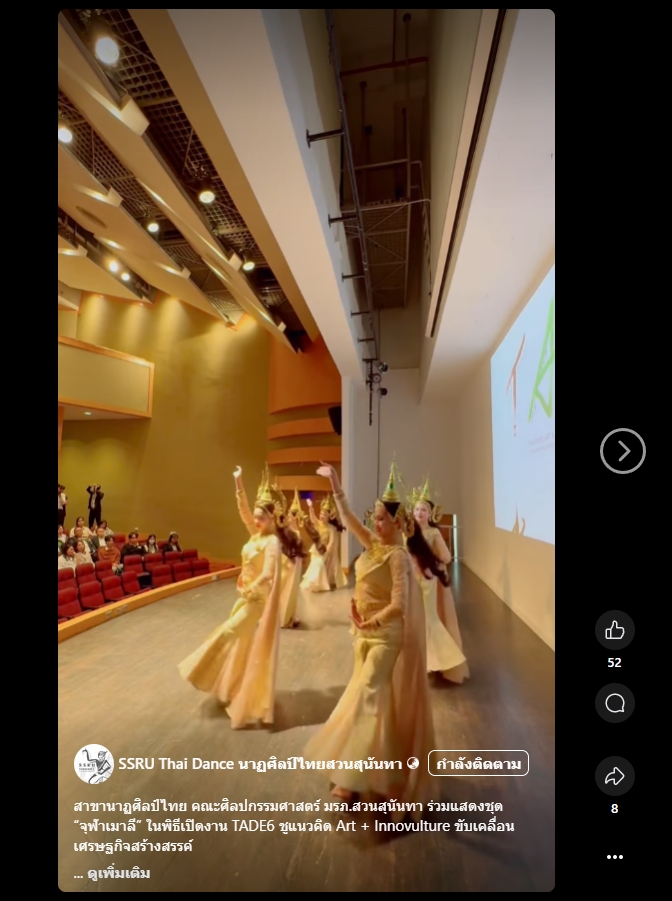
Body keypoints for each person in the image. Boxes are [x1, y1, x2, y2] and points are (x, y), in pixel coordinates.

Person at [302, 460, 434, 818]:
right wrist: (335, 482)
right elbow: (346, 517)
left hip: (386, 636)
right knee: (371, 700)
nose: (375, 524)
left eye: (381, 519)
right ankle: (378, 774)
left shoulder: (397, 557)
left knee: (367, 699)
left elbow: (399, 605)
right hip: (361, 632)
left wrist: (371, 620)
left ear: (397, 522)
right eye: (373, 518)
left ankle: (356, 779)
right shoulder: (372, 545)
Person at [178, 465, 290, 729]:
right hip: (244, 596)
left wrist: (253, 586)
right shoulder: (255, 535)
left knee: (228, 632)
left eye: (261, 517)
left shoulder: (272, 542)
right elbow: (244, 512)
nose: (256, 520)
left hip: (257, 601)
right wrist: (239, 483)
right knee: (241, 644)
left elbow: (269, 573)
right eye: (256, 517)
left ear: (272, 519)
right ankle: (234, 686)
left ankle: (203, 671)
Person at [406, 479, 469, 684]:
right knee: (412, 621)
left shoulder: (433, 533)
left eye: (423, 509)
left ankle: (441, 660)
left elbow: (447, 557)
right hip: (410, 582)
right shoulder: (408, 533)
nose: (419, 512)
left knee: (429, 619)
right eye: (417, 509)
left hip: (427, 582)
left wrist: (429, 564)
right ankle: (420, 662)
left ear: (430, 514)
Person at [301, 495, 347, 592]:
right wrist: (311, 508)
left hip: (325, 551)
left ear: (329, 517)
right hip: (317, 549)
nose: (321, 516)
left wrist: (326, 552)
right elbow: (313, 519)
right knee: (315, 564)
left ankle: (320, 583)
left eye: (324, 514)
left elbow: (332, 542)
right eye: (321, 514)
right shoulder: (319, 523)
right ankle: (313, 583)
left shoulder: (331, 528)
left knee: (320, 564)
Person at [277, 488, 308, 628]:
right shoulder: (286, 530)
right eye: (289, 514)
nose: (289, 517)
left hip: (292, 565)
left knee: (290, 591)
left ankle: (287, 615)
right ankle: (282, 615)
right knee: (283, 590)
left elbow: (296, 553)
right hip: (284, 564)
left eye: (292, 515)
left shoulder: (296, 533)